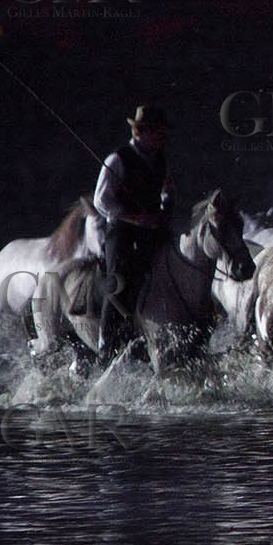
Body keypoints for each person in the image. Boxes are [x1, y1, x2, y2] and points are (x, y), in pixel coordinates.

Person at [92, 104, 174, 362]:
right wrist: (136, 218)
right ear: (141, 132)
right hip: (123, 231)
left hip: (152, 226)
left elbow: (164, 189)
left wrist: (166, 203)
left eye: (163, 133)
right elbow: (101, 201)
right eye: (157, 133)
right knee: (119, 282)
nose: (162, 138)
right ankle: (107, 341)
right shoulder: (118, 159)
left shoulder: (159, 158)